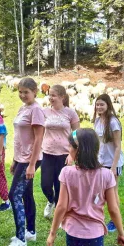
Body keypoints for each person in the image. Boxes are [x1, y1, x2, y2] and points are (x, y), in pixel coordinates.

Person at [46, 129, 124, 246]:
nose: (68, 149)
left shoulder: (67, 173)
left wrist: (52, 233)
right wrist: (121, 233)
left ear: (77, 150)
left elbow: (61, 206)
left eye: (70, 146)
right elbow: (113, 209)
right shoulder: (106, 175)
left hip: (73, 234)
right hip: (94, 237)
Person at [3, 78, 45, 246]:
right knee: (26, 194)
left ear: (35, 91)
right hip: (21, 158)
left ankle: (21, 240)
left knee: (14, 195)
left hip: (30, 158)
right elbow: (20, 137)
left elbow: (38, 139)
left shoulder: (36, 110)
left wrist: (31, 164)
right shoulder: (23, 108)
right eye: (20, 92)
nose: (22, 95)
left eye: (26, 92)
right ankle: (30, 232)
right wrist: (15, 159)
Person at [41, 85, 79, 219]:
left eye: (53, 95)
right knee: (45, 184)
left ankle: (60, 215)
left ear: (62, 97)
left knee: (59, 186)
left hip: (63, 154)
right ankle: (50, 201)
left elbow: (76, 136)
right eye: (49, 95)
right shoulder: (45, 111)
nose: (50, 98)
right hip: (47, 153)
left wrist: (71, 154)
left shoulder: (70, 113)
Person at [93, 94, 124, 233]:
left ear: (108, 105)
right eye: (97, 104)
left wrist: (113, 167)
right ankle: (99, 217)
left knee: (112, 191)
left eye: (102, 104)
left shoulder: (113, 122)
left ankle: (114, 221)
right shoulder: (97, 121)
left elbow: (118, 146)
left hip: (113, 162)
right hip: (100, 161)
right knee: (99, 190)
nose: (99, 107)